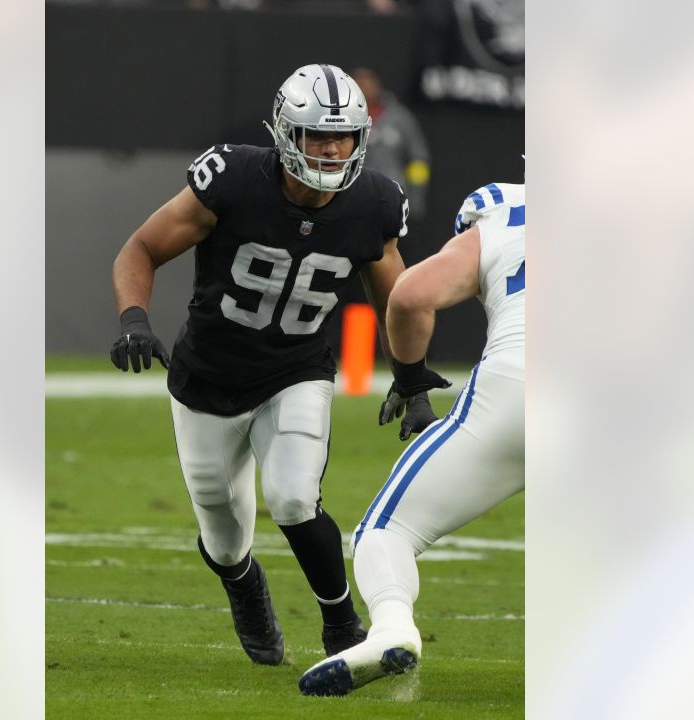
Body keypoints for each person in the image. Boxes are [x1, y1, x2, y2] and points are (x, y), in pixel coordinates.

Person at [109, 63, 446, 666]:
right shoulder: (233, 179)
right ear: (287, 132)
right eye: (318, 135)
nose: (332, 148)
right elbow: (140, 247)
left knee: (292, 497)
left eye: (342, 136)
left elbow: (395, 295)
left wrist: (411, 375)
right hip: (207, 376)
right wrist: (135, 316)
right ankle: (243, 584)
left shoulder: (371, 201)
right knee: (223, 531)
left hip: (296, 369)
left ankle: (341, 623)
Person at [298, 180, 526, 695]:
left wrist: (410, 378)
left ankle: (394, 629)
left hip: (520, 385)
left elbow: (410, 296)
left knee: (385, 531)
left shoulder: (506, 209)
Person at [351, 68, 431, 224]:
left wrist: (415, 196)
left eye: (368, 82)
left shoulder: (400, 118)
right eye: (359, 83)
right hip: (352, 199)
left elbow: (419, 159)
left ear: (378, 85)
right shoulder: (342, 117)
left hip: (391, 200)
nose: (364, 87)